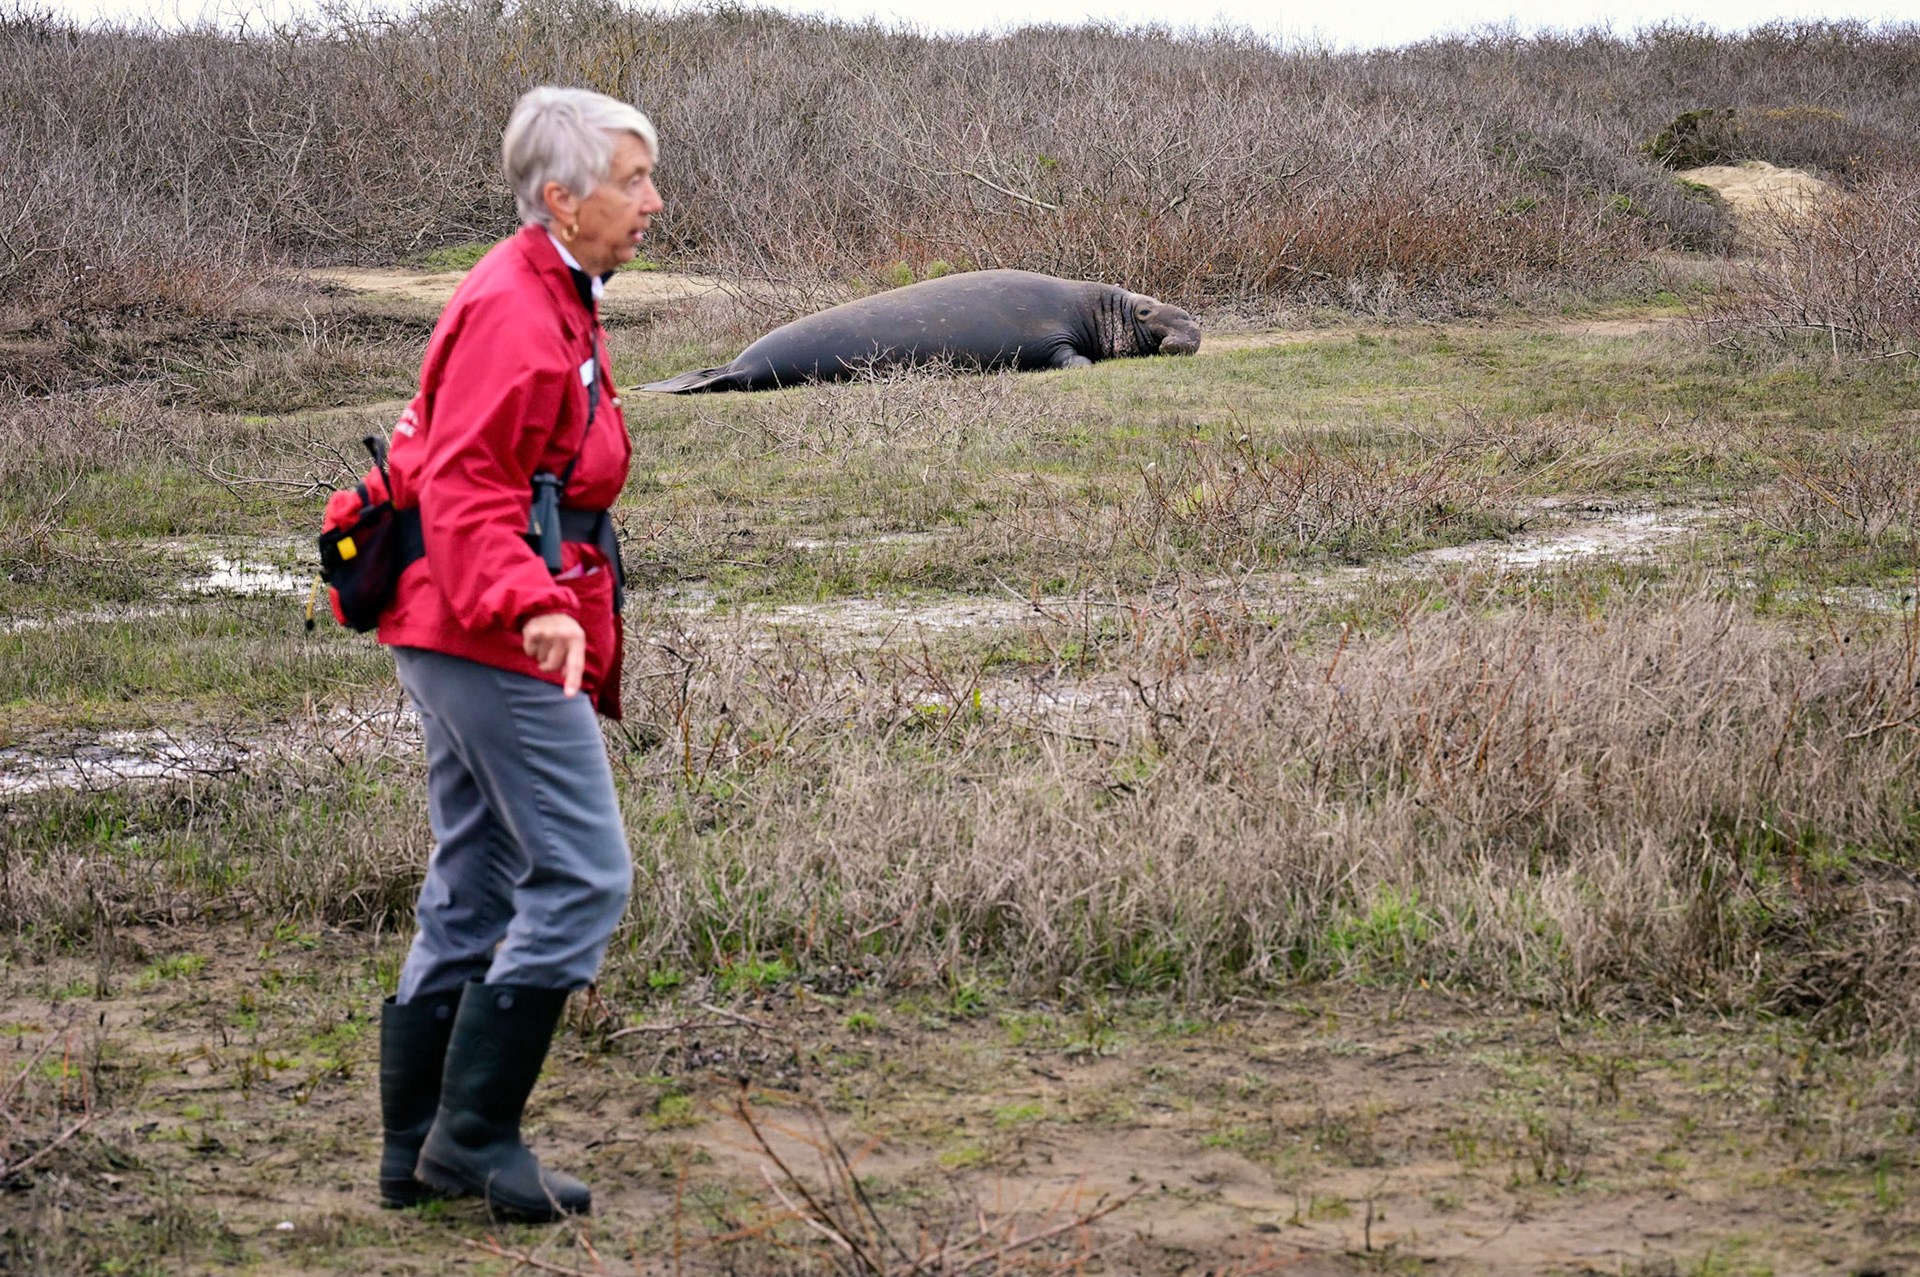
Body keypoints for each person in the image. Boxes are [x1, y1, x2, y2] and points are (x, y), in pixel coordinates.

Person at [370, 85, 662, 1222]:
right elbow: (461, 483)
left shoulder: (556, 290)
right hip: (488, 628)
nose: (651, 201)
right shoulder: (515, 305)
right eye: (632, 180)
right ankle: (474, 1135)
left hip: (462, 623)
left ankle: (415, 1148)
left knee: (478, 877)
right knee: (585, 874)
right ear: (562, 196)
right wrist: (531, 603)